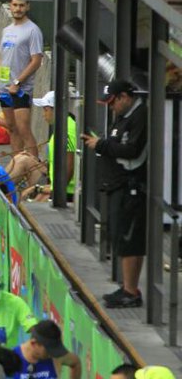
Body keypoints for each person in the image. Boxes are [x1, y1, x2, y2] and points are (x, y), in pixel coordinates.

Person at [82, 79, 148, 308]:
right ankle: (128, 287)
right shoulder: (124, 116)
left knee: (129, 240)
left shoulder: (140, 117)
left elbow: (132, 150)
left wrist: (101, 145)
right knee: (122, 238)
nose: (111, 108)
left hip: (131, 188)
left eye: (113, 103)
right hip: (117, 185)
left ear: (124, 97)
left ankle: (131, 291)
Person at [0, 0, 43, 158]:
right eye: (15, 5)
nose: (18, 9)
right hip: (4, 88)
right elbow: (2, 57)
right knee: (12, 128)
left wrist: (18, 82)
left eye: (21, 5)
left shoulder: (33, 30)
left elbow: (36, 60)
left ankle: (35, 167)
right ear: (10, 6)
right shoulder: (7, 30)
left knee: (23, 129)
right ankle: (17, 164)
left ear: (27, 7)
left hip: (21, 90)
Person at [13, 320, 79, 379]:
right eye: (48, 349)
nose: (52, 354)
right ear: (33, 343)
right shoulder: (12, 359)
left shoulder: (55, 356)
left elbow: (76, 363)